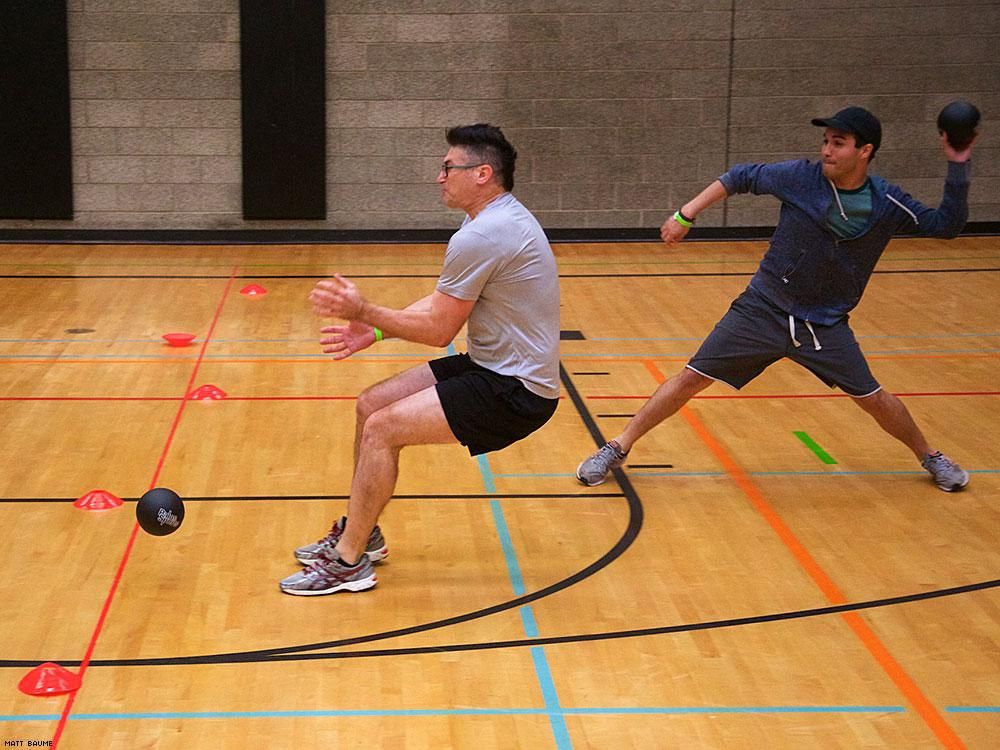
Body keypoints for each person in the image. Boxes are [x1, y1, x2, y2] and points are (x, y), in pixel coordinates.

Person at [576, 106, 974, 492]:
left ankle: (930, 457)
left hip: (824, 324)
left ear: (865, 151)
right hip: (764, 309)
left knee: (873, 398)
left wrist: (958, 163)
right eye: (825, 141)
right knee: (691, 377)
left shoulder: (887, 203)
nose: (826, 150)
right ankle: (616, 447)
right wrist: (686, 214)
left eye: (838, 143)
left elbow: (946, 225)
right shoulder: (800, 177)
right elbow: (740, 176)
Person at [281, 123, 561, 595]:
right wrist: (375, 329)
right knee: (371, 405)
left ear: (482, 174)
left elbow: (437, 331)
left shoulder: (487, 233)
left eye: (448, 168)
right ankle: (363, 532)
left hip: (516, 391)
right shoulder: (491, 220)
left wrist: (365, 310)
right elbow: (444, 302)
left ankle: (348, 562)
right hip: (490, 367)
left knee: (382, 429)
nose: (440, 177)